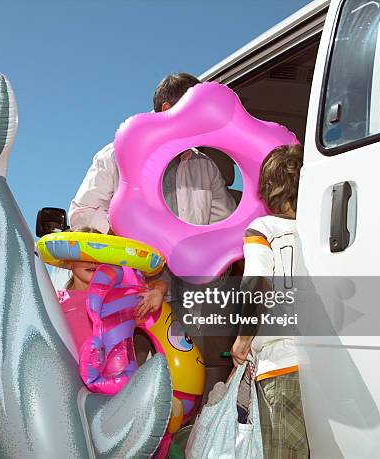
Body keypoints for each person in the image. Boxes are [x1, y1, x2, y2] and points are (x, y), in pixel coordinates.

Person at [69, 72, 236, 233]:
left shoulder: (205, 166)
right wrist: (122, 238)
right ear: (167, 110)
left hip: (186, 261)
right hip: (130, 260)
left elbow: (223, 223)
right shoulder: (114, 155)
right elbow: (82, 212)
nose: (202, 125)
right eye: (197, 115)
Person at [230, 144, 309, 458]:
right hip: (327, 364)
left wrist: (242, 339)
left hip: (281, 365)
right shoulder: (319, 230)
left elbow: (257, 285)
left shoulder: (263, 229)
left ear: (266, 189)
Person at [57, 228, 168, 353]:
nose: (92, 262)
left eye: (99, 257)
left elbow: (154, 284)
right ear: (69, 261)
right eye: (84, 255)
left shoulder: (117, 297)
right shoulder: (57, 301)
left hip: (117, 370)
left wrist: (158, 292)